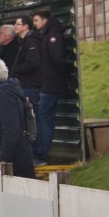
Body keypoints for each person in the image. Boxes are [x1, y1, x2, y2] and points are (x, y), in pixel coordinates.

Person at [32, 11, 69, 165]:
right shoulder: (48, 34)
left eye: (36, 20)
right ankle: (41, 153)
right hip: (49, 82)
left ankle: (41, 154)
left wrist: (62, 76)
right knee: (45, 117)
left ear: (45, 20)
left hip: (51, 84)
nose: (34, 24)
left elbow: (57, 59)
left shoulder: (53, 35)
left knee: (43, 118)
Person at [10, 15, 42, 131]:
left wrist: (16, 70)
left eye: (18, 24)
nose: (15, 26)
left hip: (30, 86)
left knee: (33, 119)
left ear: (26, 26)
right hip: (24, 85)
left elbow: (32, 63)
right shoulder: (23, 42)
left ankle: (36, 142)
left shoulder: (31, 41)